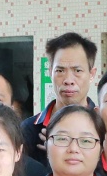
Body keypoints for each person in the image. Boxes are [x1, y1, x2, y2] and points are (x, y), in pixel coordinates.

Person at [23, 32, 98, 164]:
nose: (68, 80)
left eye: (77, 71)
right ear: (50, 72)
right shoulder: (28, 130)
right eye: (60, 71)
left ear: (91, 74)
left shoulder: (104, 126)